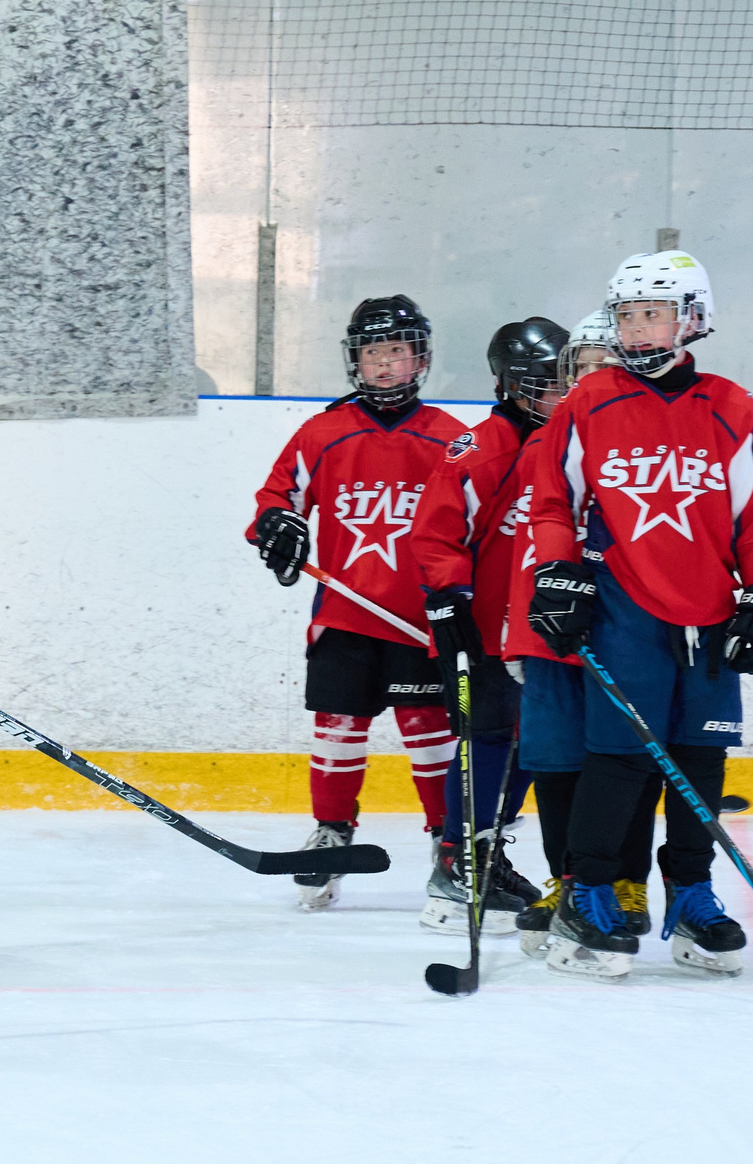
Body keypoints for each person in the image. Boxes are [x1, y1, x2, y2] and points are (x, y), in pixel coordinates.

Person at [514, 253, 753, 980]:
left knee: (700, 761)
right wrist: (558, 574)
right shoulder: (591, 400)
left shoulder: (732, 407)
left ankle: (692, 894)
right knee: (620, 756)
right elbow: (554, 502)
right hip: (624, 606)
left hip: (709, 617)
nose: (639, 330)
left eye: (655, 313)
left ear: (692, 318)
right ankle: (591, 891)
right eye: (629, 315)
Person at [248, 295, 470, 910]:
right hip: (344, 616)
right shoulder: (324, 432)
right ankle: (332, 831)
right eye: (373, 353)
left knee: (429, 734)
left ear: (419, 358)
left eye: (396, 352)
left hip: (420, 620)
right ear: (356, 360)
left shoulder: (453, 440)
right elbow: (276, 498)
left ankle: (447, 842)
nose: (383, 365)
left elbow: (480, 518)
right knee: (337, 729)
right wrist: (278, 527)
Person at [503, 307, 666, 944]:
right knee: (556, 761)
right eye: (582, 366)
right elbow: (528, 536)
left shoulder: (646, 440)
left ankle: (624, 880)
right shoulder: (545, 441)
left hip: (622, 630)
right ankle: (568, 882)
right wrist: (517, 629)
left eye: (607, 364)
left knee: (623, 757)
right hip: (550, 632)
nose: (592, 377)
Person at [411, 316, 570, 930]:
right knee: (486, 738)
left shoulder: (569, 443)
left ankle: (486, 850)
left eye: (565, 383)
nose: (558, 396)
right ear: (508, 385)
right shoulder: (485, 446)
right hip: (482, 630)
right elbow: (435, 531)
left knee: (533, 741)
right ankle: (456, 861)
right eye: (544, 385)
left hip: (538, 629)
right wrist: (449, 598)